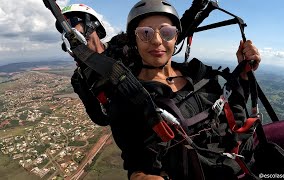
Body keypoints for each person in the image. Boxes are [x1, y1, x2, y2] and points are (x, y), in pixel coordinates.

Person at [108, 0, 261, 179]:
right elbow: (136, 162)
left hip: (246, 159)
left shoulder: (199, 74)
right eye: (146, 33)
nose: (157, 41)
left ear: (176, 36)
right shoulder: (128, 99)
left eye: (166, 32)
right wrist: (140, 176)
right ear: (135, 39)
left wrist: (243, 75)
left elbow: (234, 115)